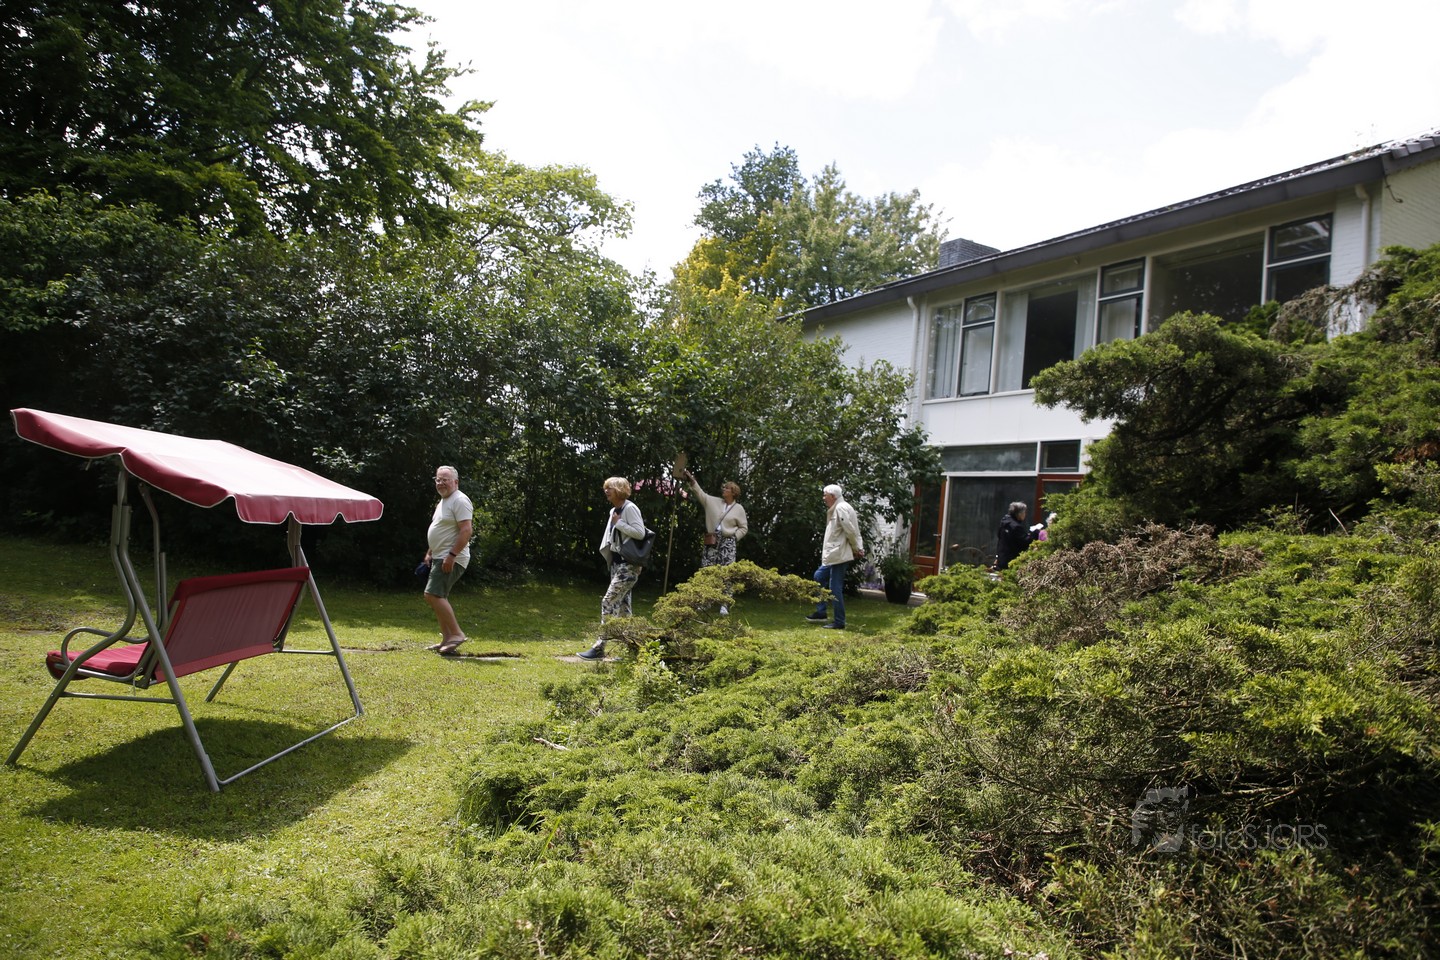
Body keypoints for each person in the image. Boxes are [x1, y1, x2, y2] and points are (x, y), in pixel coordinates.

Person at [577, 476, 647, 660]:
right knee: (624, 609)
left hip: (628, 565)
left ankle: (600, 647)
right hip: (617, 564)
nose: (606, 491)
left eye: (610, 488)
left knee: (608, 601)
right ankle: (632, 650)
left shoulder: (630, 508)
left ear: (620, 490)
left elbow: (640, 533)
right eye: (605, 488)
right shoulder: (614, 510)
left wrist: (619, 524)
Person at [680, 468, 748, 614]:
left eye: (727, 488)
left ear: (734, 492)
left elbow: (743, 528)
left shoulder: (739, 509)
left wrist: (734, 537)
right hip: (712, 540)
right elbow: (700, 493)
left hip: (728, 542)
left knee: (727, 572)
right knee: (707, 569)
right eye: (724, 487)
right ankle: (705, 601)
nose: (724, 489)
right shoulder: (713, 502)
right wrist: (691, 479)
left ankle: (725, 604)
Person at [423, 465, 473, 655]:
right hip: (440, 556)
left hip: (451, 557)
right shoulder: (444, 501)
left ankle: (457, 634)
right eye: (438, 479)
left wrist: (451, 556)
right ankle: (446, 639)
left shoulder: (459, 500)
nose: (440, 483)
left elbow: (466, 530)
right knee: (438, 596)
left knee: (432, 595)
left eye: (445, 479)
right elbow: (441, 528)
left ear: (456, 482)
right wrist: (430, 552)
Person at [805, 483, 864, 630]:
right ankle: (821, 612)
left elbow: (851, 531)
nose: (823, 498)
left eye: (825, 495)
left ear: (832, 496)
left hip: (839, 553)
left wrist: (857, 548)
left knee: (835, 587)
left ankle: (839, 621)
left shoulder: (841, 508)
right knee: (819, 576)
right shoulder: (839, 507)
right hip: (835, 554)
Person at [994, 501, 1037, 571]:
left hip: (1002, 558)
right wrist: (1034, 533)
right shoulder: (1016, 527)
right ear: (1019, 514)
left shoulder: (1004, 522)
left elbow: (999, 537)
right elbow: (1025, 542)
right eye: (1024, 513)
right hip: (1012, 561)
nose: (1025, 515)